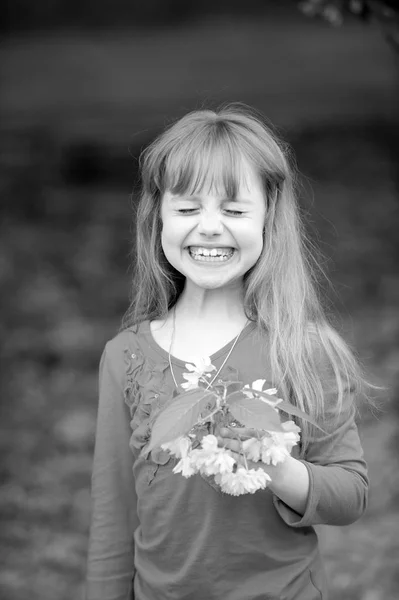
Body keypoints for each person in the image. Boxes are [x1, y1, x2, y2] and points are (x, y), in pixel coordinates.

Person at [85, 104, 369, 600]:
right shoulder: (125, 356)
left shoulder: (303, 350)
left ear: (268, 220)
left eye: (234, 210)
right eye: (188, 208)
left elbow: (350, 495)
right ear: (158, 220)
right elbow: (114, 516)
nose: (211, 227)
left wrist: (278, 467)